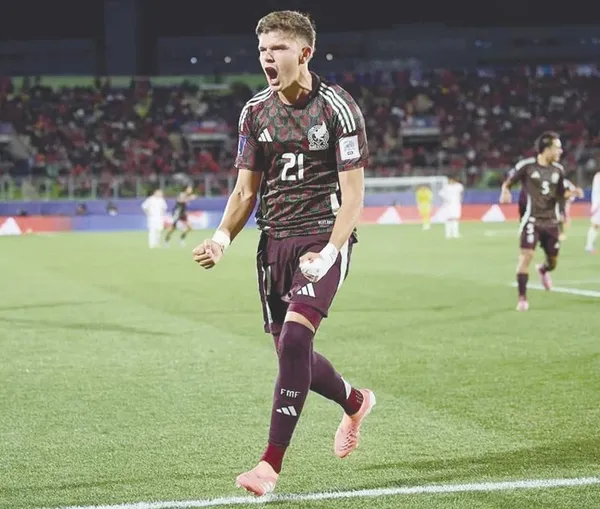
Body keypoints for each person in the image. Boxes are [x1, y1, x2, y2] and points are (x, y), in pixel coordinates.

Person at [192, 10, 375, 497]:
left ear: (305, 53)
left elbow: (354, 196)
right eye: (262, 50)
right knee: (292, 352)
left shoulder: (337, 109)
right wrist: (221, 239)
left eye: (277, 49)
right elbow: (244, 191)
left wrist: (331, 252)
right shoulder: (254, 112)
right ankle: (355, 402)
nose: (267, 58)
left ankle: (268, 466)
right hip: (273, 243)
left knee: (295, 341)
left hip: (321, 237)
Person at [500, 132, 573, 311]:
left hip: (551, 222)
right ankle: (522, 298)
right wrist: (505, 191)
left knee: (553, 262)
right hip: (531, 220)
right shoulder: (527, 166)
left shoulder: (558, 170)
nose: (560, 151)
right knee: (527, 256)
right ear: (546, 149)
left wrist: (567, 204)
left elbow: (560, 194)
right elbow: (508, 182)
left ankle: (543, 270)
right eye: (557, 148)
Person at [585, 170, 600, 253]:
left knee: (595, 225)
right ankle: (589, 246)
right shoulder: (598, 176)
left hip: (597, 204)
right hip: (598, 205)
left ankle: (589, 246)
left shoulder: (597, 176)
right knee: (595, 225)